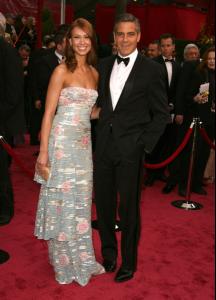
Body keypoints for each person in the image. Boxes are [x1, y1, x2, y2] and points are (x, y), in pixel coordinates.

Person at [94, 14, 170, 283]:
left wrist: (143, 145)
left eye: (129, 34)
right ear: (113, 37)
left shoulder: (152, 70)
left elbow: (162, 114)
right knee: (103, 206)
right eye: (119, 34)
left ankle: (129, 262)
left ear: (138, 36)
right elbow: (100, 106)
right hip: (103, 146)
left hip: (131, 150)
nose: (124, 39)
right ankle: (109, 255)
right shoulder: (102, 66)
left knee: (128, 210)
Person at [34, 18, 104, 286]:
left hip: (84, 146)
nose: (82, 42)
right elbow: (49, 113)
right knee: (63, 202)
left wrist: (116, 112)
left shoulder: (95, 73)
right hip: (61, 144)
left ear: (91, 40)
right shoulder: (61, 71)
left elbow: (91, 112)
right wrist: (43, 153)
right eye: (76, 37)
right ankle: (64, 262)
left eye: (86, 36)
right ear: (69, 42)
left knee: (81, 202)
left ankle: (83, 257)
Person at [0, 14, 25, 225]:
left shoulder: (8, 52)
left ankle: (4, 210)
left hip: (2, 121)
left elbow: (14, 92)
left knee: (0, 169)